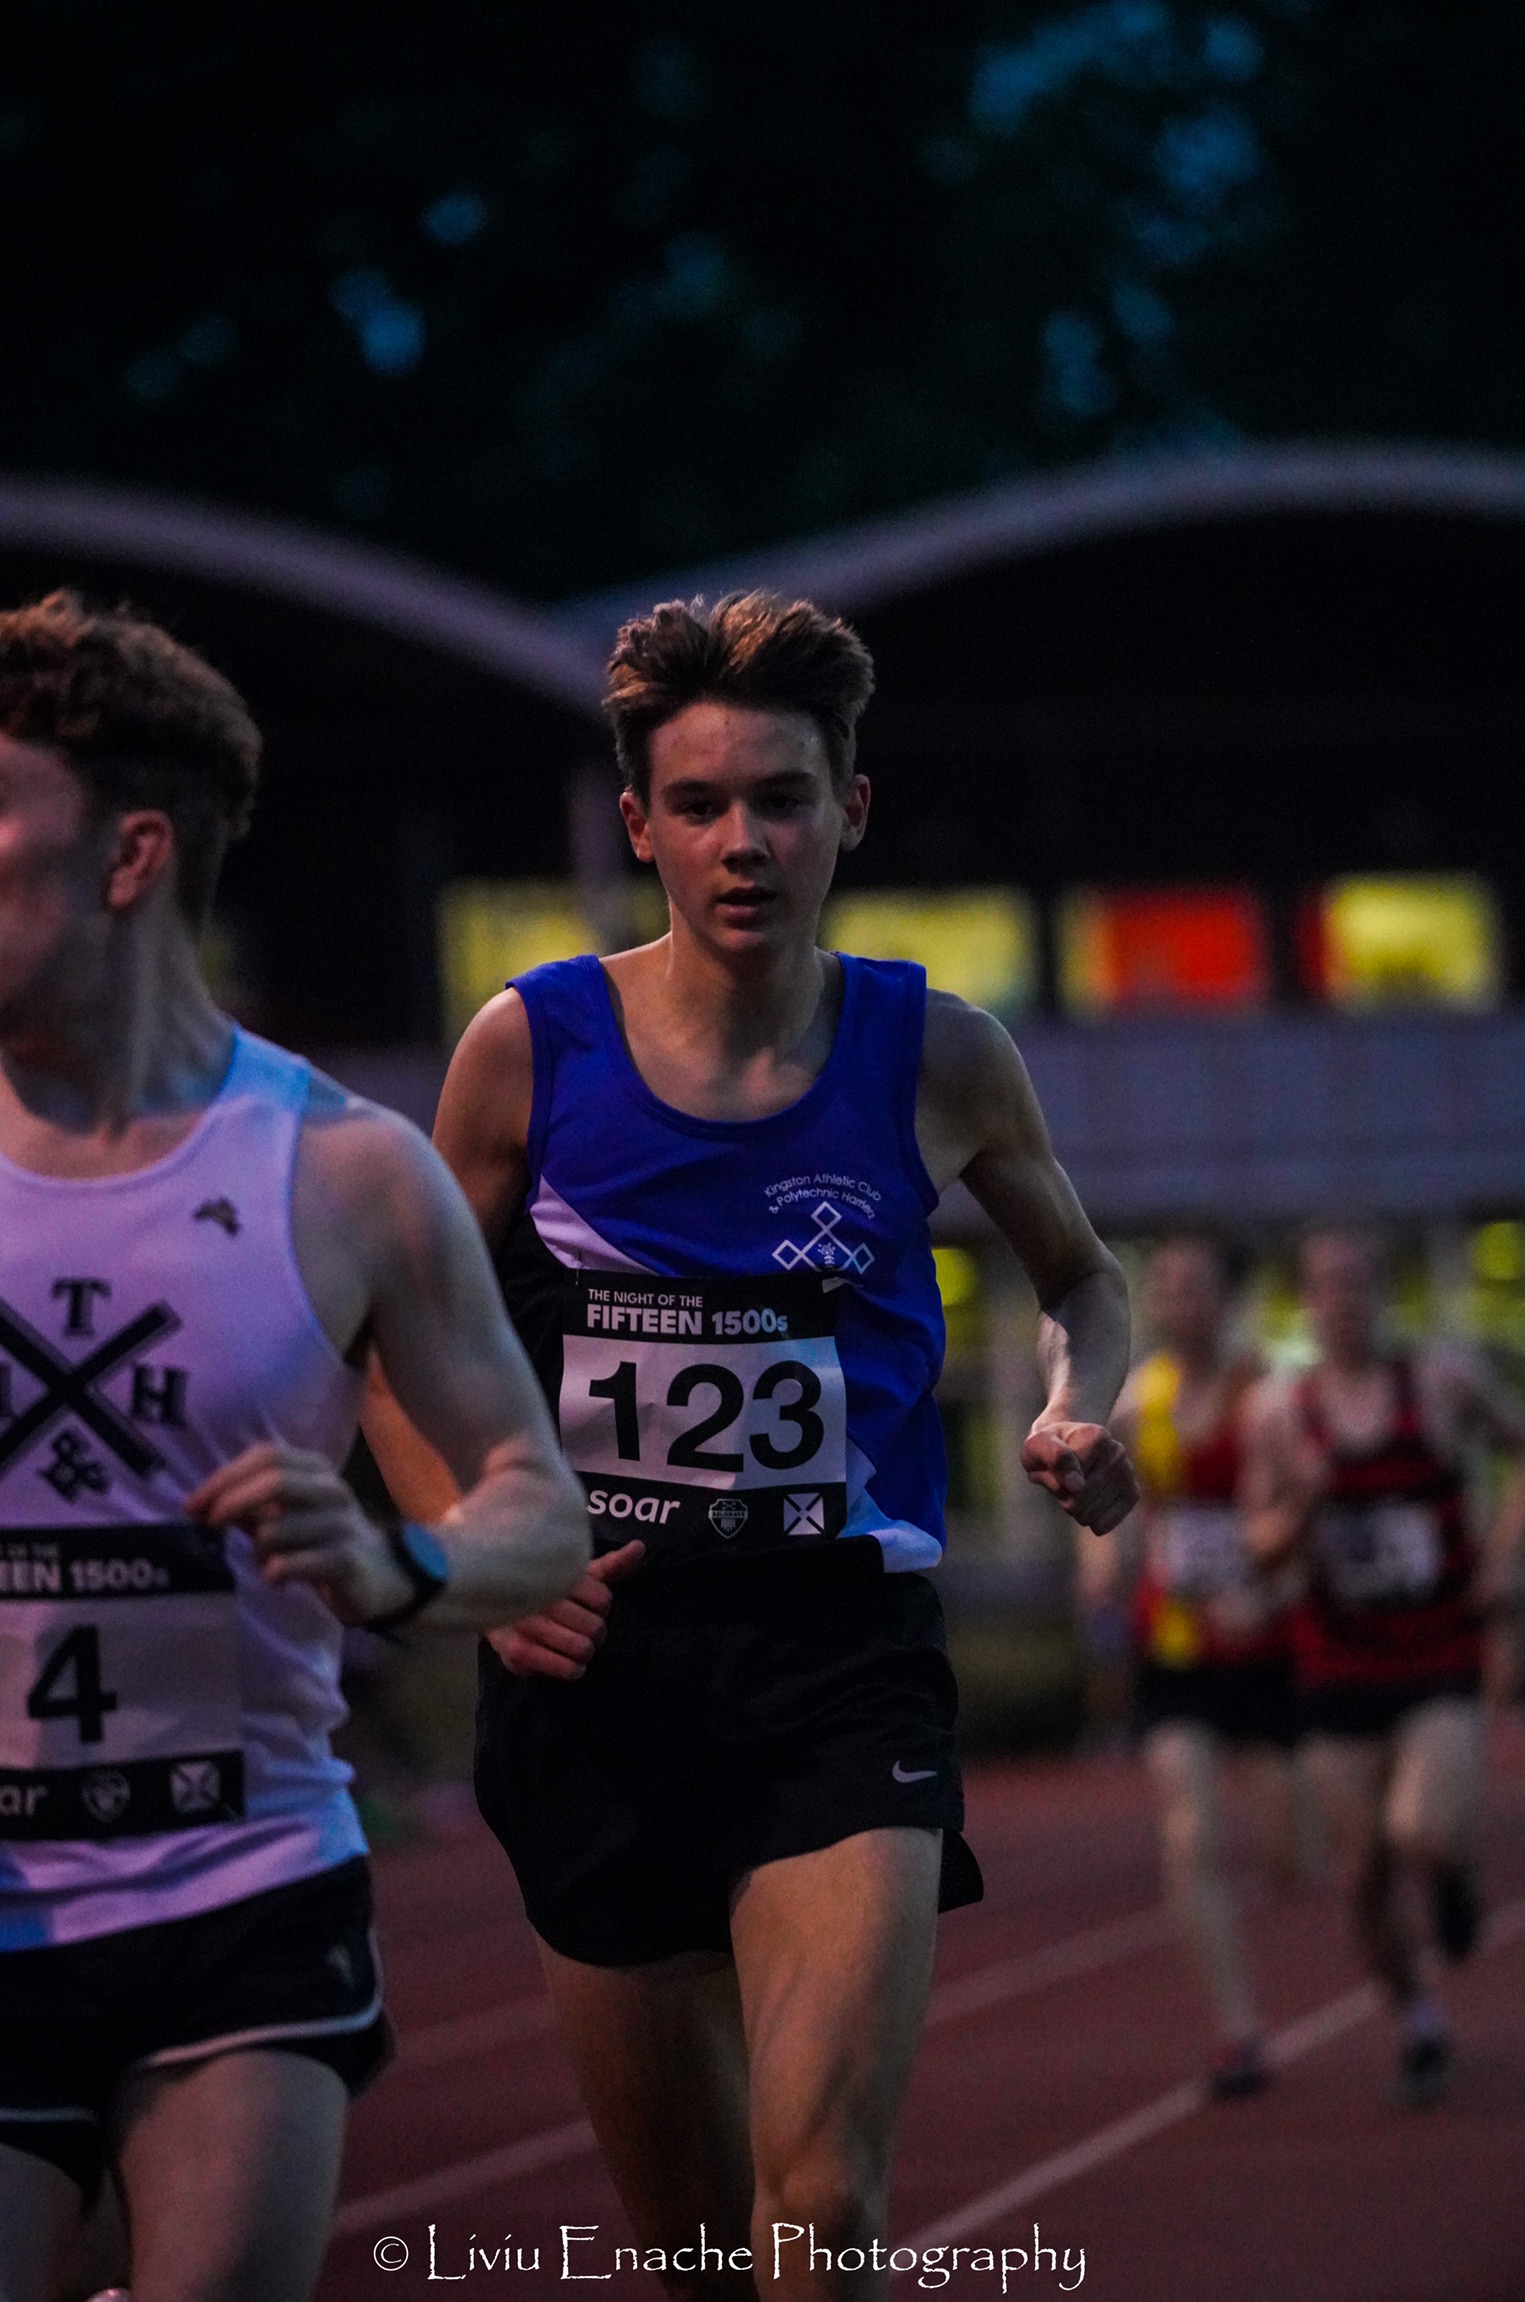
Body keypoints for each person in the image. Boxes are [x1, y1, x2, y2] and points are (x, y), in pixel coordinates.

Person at [366, 592, 1138, 2302]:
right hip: (597, 1663)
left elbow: (1085, 1281)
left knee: (822, 2205)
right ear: (638, 823)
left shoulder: (938, 1052)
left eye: (780, 800)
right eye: (700, 804)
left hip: (835, 1655)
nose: (742, 842)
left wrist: (1080, 1403)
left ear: (846, 811)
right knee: (703, 2252)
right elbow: (390, 1342)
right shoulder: (527, 1051)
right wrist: (469, 1554)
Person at [0, 594, 591, 2302]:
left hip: (242, 1883)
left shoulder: (344, 1169)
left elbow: (538, 1510)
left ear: (129, 855)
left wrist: (396, 1558)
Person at [1243, 1223, 1525, 2107]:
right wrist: (1300, 1507)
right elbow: (1258, 1544)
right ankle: (1419, 2023)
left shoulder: (1440, 1383)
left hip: (1438, 1647)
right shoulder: (1279, 1413)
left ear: (1383, 1292)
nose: (1344, 1300)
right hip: (1336, 1660)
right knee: (1364, 1872)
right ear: (1306, 1302)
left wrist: (1505, 1556)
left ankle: (1454, 1873)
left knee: (1423, 1831)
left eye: (1358, 1281)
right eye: (1326, 1284)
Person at [1087, 1236, 1305, 2100]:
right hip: (1175, 1644)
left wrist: (1268, 1576)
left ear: (1227, 1297)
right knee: (1187, 1833)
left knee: (1295, 1861)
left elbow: (1303, 1506)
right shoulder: (1140, 1398)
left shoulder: (1270, 1394)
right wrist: (1100, 1565)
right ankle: (1237, 2031)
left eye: (1196, 1287)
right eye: (1167, 1288)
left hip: (1267, 1644)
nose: (1181, 1303)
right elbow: (1105, 1501)